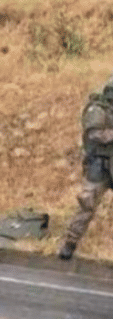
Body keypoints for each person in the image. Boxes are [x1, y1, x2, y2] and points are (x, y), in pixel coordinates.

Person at [59, 78, 113, 260]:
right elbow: (96, 133)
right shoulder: (97, 109)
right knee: (86, 205)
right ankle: (70, 242)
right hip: (99, 163)